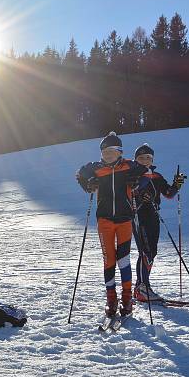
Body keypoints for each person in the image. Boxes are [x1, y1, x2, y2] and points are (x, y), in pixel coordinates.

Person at [76, 132, 148, 318]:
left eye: (112, 151)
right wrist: (88, 184)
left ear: (119, 151)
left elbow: (146, 174)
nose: (108, 154)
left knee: (123, 260)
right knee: (108, 260)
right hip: (104, 221)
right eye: (105, 151)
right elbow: (80, 175)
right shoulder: (95, 168)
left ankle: (126, 299)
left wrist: (137, 183)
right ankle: (111, 299)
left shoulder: (129, 166)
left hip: (125, 220)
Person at [131, 143, 186, 302]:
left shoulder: (157, 177)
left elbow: (168, 194)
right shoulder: (133, 176)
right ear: (136, 160)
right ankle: (142, 288)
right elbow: (129, 194)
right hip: (138, 216)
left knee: (151, 251)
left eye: (148, 157)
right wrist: (139, 196)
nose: (145, 160)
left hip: (153, 216)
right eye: (141, 158)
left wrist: (177, 184)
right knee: (146, 251)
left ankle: (141, 286)